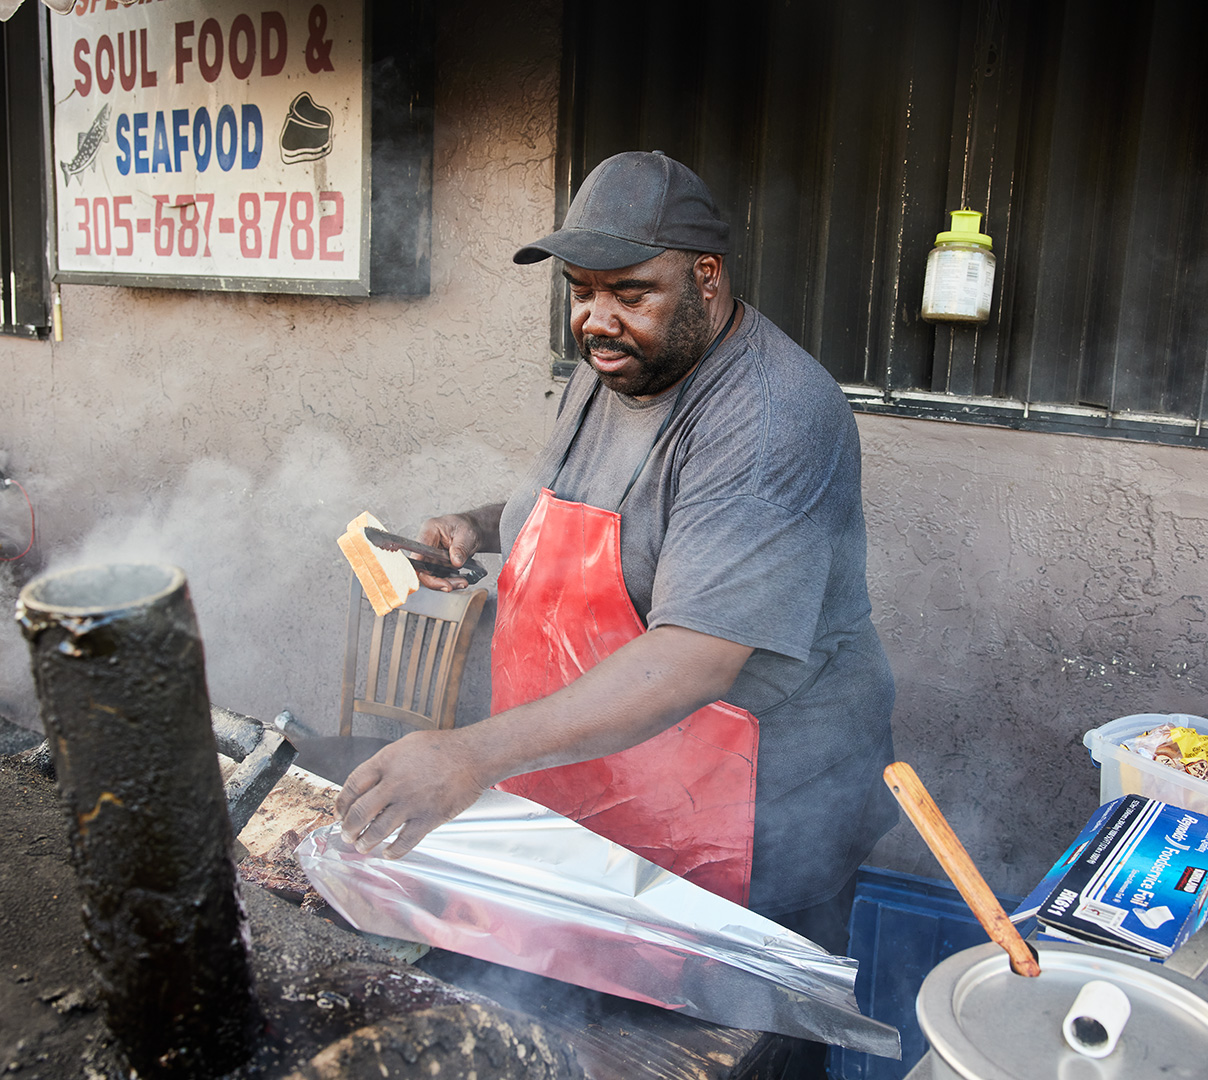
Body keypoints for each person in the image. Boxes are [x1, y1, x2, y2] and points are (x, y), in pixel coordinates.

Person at [337, 150, 897, 960]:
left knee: (730, 1039)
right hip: (612, 772)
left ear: (707, 277)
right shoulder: (611, 369)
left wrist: (468, 754)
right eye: (582, 290)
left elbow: (692, 660)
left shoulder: (771, 416)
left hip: (752, 805)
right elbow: (586, 509)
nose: (597, 319)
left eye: (631, 292)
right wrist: (479, 524)